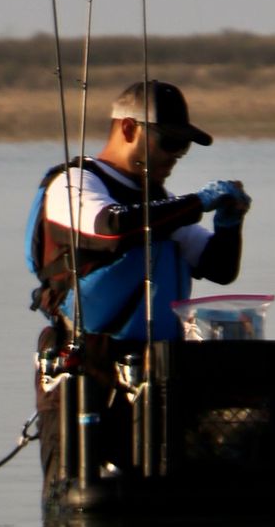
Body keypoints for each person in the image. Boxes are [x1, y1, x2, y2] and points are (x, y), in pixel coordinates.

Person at [27, 80, 251, 491]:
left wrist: (229, 224)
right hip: (85, 370)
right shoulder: (74, 184)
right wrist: (196, 203)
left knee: (161, 489)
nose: (176, 156)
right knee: (80, 495)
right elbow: (110, 229)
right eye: (170, 142)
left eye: (184, 147)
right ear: (129, 128)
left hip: (155, 370)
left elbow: (217, 267)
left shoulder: (160, 204)